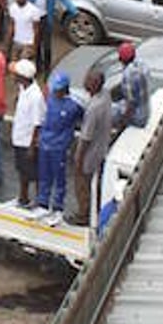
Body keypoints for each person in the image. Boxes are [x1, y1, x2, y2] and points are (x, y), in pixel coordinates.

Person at [35, 72, 84, 226]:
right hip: (45, 145)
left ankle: (58, 208)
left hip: (60, 148)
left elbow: (83, 119)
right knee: (44, 175)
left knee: (59, 179)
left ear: (65, 89)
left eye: (58, 89)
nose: (55, 92)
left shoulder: (73, 106)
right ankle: (43, 203)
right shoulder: (48, 100)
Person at [72, 70, 113, 226]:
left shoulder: (94, 108)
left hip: (91, 152)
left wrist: (79, 158)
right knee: (94, 181)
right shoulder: (105, 96)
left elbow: (86, 138)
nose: (85, 83)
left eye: (88, 81)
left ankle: (83, 215)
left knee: (81, 181)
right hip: (102, 146)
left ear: (95, 84)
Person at [8, 59, 44, 207]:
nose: (13, 76)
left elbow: (38, 123)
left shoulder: (36, 96)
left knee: (34, 173)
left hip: (27, 142)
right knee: (23, 171)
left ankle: (39, 201)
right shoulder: (24, 88)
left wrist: (32, 146)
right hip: (19, 138)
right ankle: (23, 198)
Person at [116, 41, 151, 129]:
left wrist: (123, 121)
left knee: (108, 111)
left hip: (138, 118)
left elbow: (131, 103)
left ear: (121, 59)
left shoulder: (128, 75)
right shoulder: (142, 65)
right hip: (146, 110)